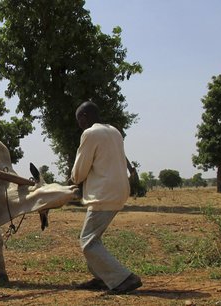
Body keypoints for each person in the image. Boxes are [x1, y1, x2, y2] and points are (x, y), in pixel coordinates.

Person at [70, 101, 142, 294]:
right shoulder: (114, 131)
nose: (79, 125)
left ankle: (124, 279)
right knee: (95, 238)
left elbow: (79, 172)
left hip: (103, 194)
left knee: (88, 242)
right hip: (119, 191)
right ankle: (102, 277)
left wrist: (74, 180)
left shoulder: (90, 134)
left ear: (84, 117)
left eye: (79, 120)